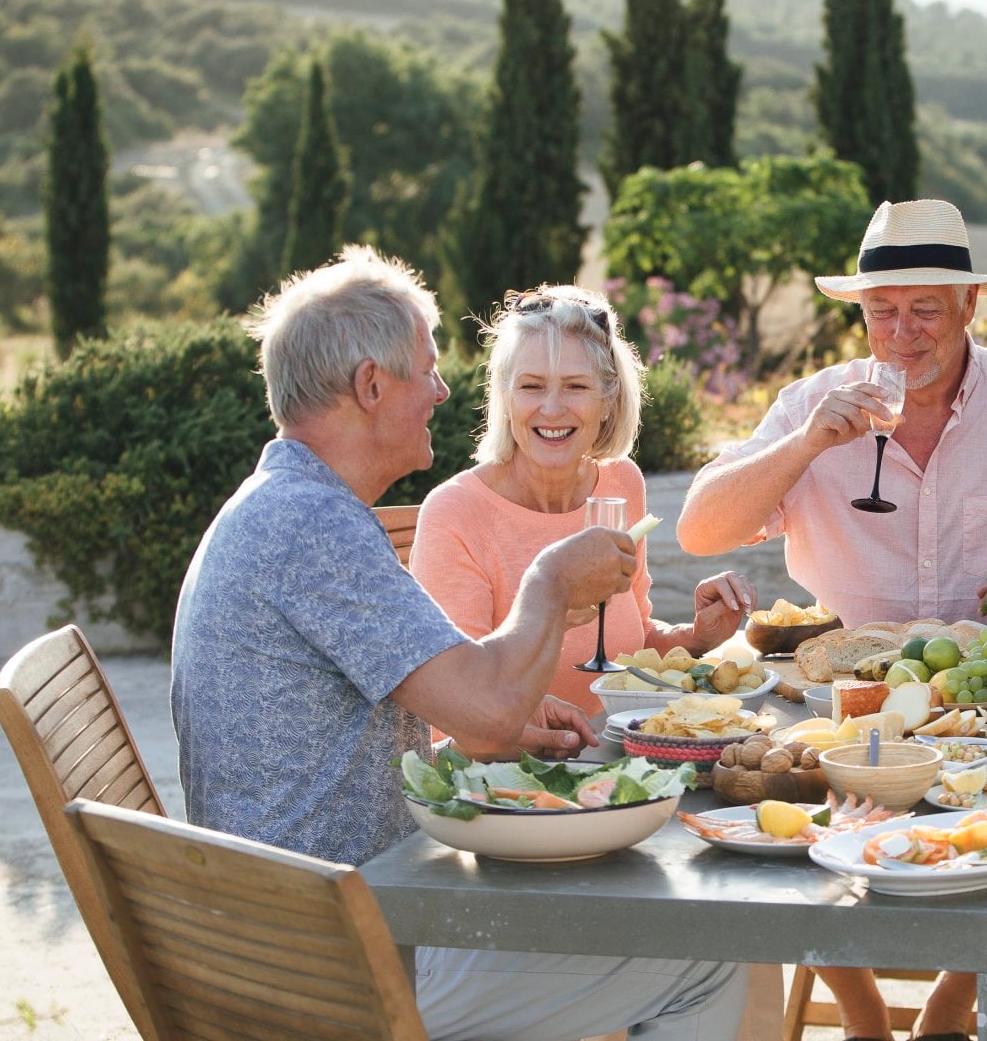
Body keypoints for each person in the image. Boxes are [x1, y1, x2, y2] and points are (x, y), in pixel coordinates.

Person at [169, 246, 745, 1040]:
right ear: (372, 387)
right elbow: (482, 715)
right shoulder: (310, 528)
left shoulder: (290, 505)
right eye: (427, 372)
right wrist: (549, 582)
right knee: (713, 959)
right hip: (329, 967)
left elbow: (478, 700)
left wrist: (520, 702)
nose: (444, 392)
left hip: (331, 919)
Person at [679, 199, 987, 1041]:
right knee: (788, 811)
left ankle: (946, 1009)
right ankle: (860, 1019)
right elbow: (699, 527)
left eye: (926, 307)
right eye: (882, 310)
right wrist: (804, 447)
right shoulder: (813, 404)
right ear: (860, 314)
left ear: (969, 306)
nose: (902, 332)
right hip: (835, 705)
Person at [409, 285, 753, 720]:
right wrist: (549, 612)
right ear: (506, 397)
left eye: (575, 386)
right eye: (531, 386)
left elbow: (636, 641)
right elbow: (457, 697)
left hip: (626, 751)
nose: (552, 409)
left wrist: (697, 636)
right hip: (517, 769)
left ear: (608, 400)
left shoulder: (620, 482)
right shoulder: (455, 513)